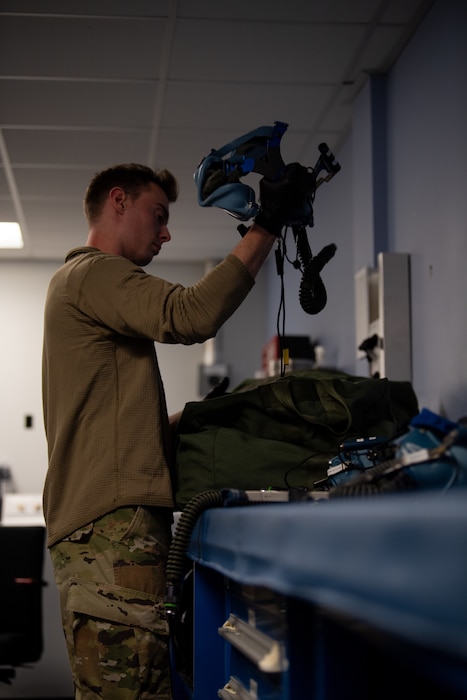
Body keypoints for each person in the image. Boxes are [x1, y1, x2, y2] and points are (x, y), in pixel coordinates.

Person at [42, 161, 309, 699]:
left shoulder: (74, 290)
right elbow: (189, 315)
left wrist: (193, 418)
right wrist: (268, 224)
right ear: (118, 202)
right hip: (112, 535)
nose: (166, 233)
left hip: (97, 534)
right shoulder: (94, 273)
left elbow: (109, 432)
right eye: (157, 215)